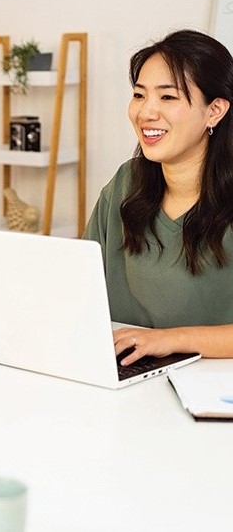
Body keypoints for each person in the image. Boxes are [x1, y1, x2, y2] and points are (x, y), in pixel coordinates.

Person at [85, 29, 233, 365]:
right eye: (139, 95)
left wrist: (168, 340)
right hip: (124, 377)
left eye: (168, 98)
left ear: (214, 111)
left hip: (211, 388)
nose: (146, 112)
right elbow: (76, 288)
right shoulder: (126, 182)